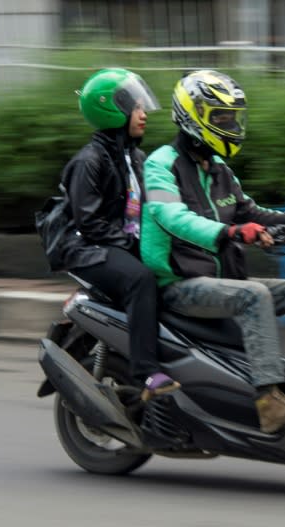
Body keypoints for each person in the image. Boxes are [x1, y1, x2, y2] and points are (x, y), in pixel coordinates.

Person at [141, 70, 285, 434]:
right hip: (181, 283)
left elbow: (248, 210)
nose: (230, 125)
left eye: (232, 117)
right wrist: (231, 232)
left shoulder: (219, 168)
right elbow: (172, 217)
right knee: (254, 296)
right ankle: (270, 402)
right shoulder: (160, 164)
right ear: (193, 117)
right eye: (220, 118)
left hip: (222, 280)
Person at [56, 68, 180, 402]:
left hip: (118, 244)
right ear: (111, 110)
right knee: (140, 278)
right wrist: (137, 246)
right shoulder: (89, 161)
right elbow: (91, 223)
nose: (143, 114)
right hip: (88, 248)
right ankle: (146, 371)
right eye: (134, 107)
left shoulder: (135, 157)